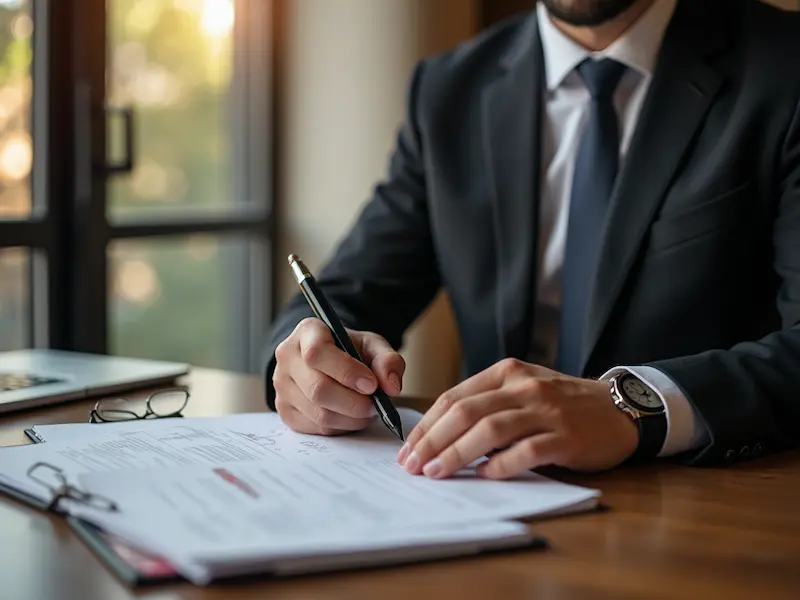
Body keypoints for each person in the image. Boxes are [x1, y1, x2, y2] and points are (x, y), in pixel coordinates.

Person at [263, 0, 800, 480]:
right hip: (486, 495)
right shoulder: (450, 90)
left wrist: (632, 407)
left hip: (703, 502)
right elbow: (341, 297)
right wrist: (303, 365)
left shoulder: (784, 68)